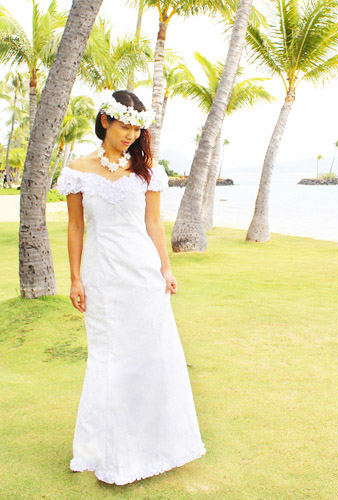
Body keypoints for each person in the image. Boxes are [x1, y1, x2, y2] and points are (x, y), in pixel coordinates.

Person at [55, 89, 206, 485]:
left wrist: (166, 269)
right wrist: (74, 278)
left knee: (152, 357)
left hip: (143, 275)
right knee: (108, 358)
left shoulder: (147, 169)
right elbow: (76, 226)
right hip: (102, 275)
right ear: (105, 120)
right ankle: (105, 450)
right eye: (125, 125)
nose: (131, 134)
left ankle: (157, 446)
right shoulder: (77, 169)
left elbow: (154, 224)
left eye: (138, 128)